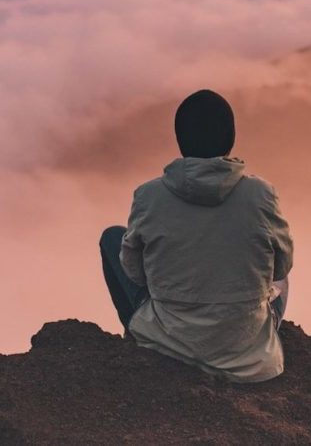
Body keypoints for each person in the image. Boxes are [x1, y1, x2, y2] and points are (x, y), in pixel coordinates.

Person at [99, 88, 293, 383]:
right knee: (281, 280)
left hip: (168, 339)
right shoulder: (260, 194)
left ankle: (139, 337)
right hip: (247, 352)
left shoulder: (148, 195)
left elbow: (135, 273)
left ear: (180, 141)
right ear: (230, 140)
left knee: (113, 238)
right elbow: (280, 268)